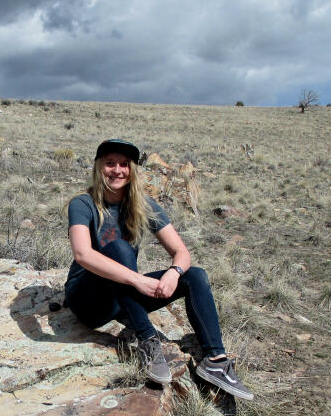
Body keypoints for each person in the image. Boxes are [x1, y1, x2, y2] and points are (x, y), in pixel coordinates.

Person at [65, 139, 253, 400]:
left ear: (132, 170)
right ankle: (147, 342)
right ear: (99, 168)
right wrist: (137, 280)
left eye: (123, 164)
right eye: (109, 164)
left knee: (194, 275)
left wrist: (174, 272)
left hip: (123, 297)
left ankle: (215, 361)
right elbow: (83, 254)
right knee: (119, 248)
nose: (117, 170)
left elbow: (182, 252)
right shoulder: (83, 204)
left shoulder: (144, 205)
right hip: (88, 301)